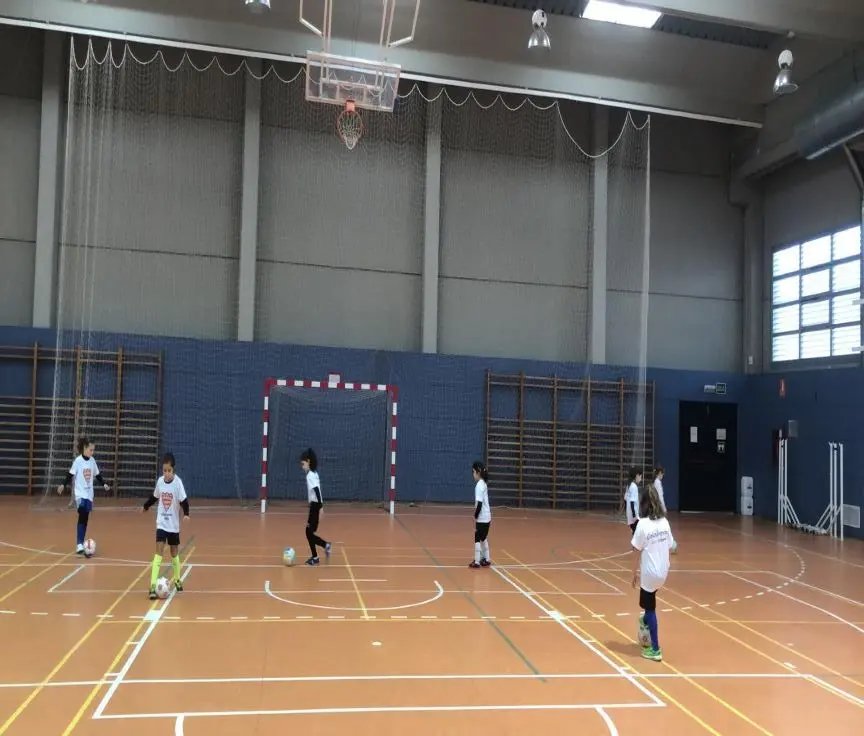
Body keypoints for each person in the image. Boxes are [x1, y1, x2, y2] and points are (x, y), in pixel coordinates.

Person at [631, 484, 674, 662]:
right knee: (649, 602)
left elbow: (635, 550)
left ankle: (655, 649)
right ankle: (646, 623)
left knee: (649, 608)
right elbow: (671, 546)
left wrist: (634, 573)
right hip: (663, 572)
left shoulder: (643, 524)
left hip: (649, 574)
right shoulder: (665, 522)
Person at [142, 453, 190, 599]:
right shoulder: (160, 482)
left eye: (169, 470)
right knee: (158, 553)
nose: (166, 473)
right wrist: (146, 506)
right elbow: (155, 496)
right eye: (164, 470)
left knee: (174, 553)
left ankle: (177, 579)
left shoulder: (178, 483)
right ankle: (152, 586)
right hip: (161, 523)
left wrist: (186, 513)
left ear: (173, 470)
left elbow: (184, 501)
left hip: (173, 525)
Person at [57, 437, 110, 555]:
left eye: (93, 450)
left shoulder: (92, 461)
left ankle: (80, 543)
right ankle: (79, 544)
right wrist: (63, 484)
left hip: (89, 494)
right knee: (81, 510)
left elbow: (98, 475)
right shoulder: (78, 461)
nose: (92, 452)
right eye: (91, 450)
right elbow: (70, 474)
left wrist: (104, 484)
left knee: (85, 517)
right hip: (80, 494)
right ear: (85, 449)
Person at [301, 448, 331, 566]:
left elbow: (317, 490)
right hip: (315, 505)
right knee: (309, 532)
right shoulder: (314, 474)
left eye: (303, 464)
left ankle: (323, 549)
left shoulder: (310, 476)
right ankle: (316, 556)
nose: (302, 466)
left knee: (308, 532)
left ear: (308, 462)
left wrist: (320, 507)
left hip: (315, 506)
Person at [469, 461, 492, 569]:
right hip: (488, 517)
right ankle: (487, 559)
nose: (473, 475)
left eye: (473, 472)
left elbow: (480, 503)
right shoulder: (484, 483)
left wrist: (475, 515)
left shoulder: (479, 485)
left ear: (478, 472)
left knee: (477, 537)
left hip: (482, 517)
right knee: (483, 537)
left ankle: (477, 561)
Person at [624, 467, 642, 536]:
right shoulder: (634, 486)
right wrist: (635, 516)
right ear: (637, 475)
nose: (641, 479)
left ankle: (635, 546)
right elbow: (632, 502)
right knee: (638, 533)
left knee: (635, 533)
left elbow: (625, 499)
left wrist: (628, 512)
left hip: (629, 515)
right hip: (633, 515)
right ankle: (636, 546)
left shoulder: (629, 485)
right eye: (640, 476)